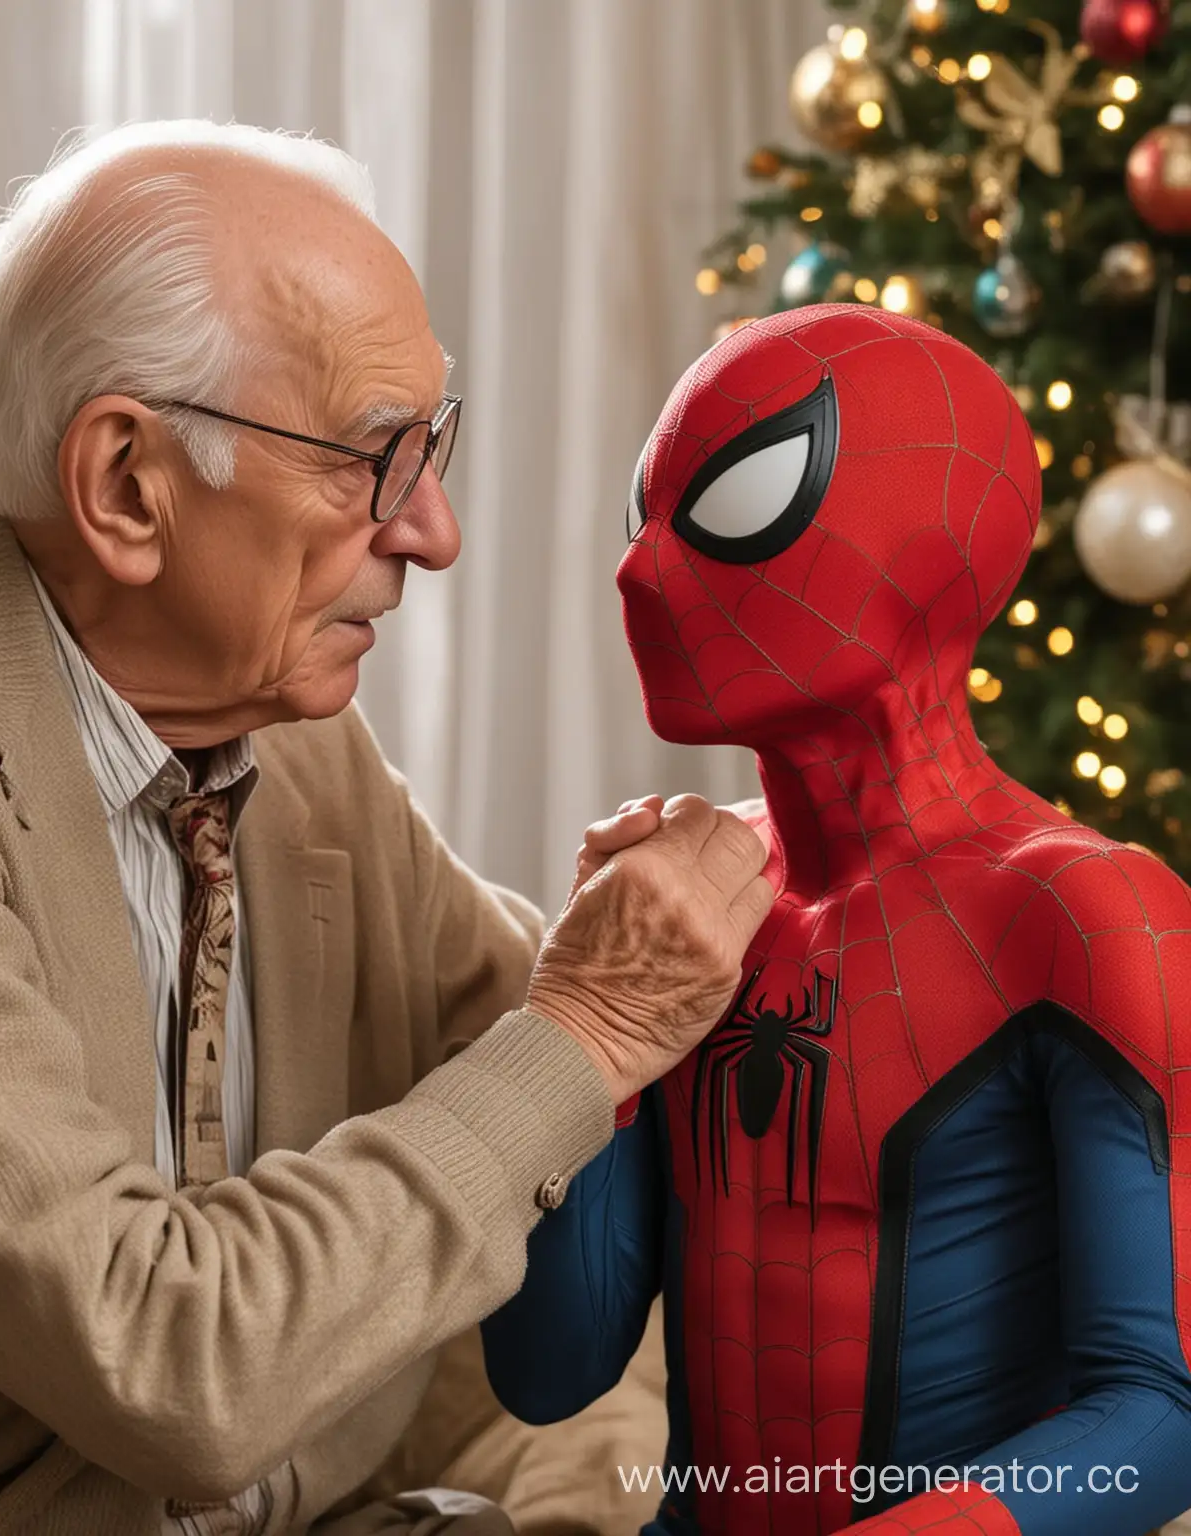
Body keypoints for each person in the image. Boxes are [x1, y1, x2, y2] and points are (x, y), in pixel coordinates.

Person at [0, 120, 772, 1535]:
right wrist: (594, 1023)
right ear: (126, 484)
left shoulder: (285, 734)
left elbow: (527, 1047)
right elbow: (173, 1366)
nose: (435, 530)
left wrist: (739, 923)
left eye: (435, 445)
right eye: (376, 457)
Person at [481, 305, 1191, 1536]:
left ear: (930, 540)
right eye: (639, 516)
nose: (638, 570)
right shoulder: (692, 901)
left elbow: (1164, 1416)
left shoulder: (1080, 913)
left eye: (737, 494)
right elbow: (551, 1373)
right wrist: (590, 1025)